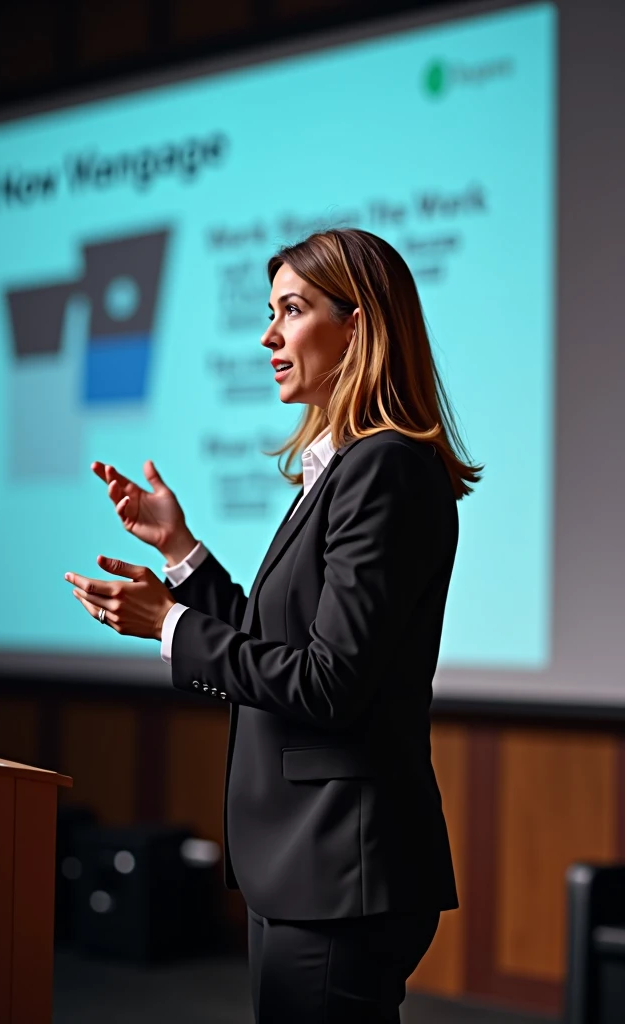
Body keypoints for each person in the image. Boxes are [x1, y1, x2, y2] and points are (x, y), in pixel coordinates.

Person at [65, 228, 483, 1023]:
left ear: (357, 325)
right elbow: (279, 648)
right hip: (307, 868)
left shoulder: (384, 466)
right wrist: (182, 555)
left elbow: (330, 682)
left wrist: (172, 625)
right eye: (269, 311)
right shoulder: (345, 466)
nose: (267, 335)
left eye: (291, 310)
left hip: (339, 869)